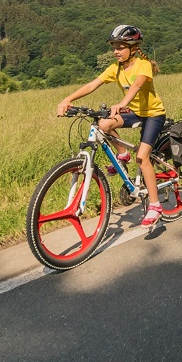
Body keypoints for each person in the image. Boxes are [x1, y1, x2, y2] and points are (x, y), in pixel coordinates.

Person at [56, 25, 169, 227]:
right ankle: (122, 154)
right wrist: (67, 99)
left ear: (133, 48)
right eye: (114, 47)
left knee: (142, 158)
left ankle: (155, 205)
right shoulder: (115, 69)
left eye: (120, 47)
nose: (116, 51)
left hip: (153, 114)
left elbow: (136, 85)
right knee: (103, 124)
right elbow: (92, 85)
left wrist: (122, 103)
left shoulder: (143, 65)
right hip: (134, 113)